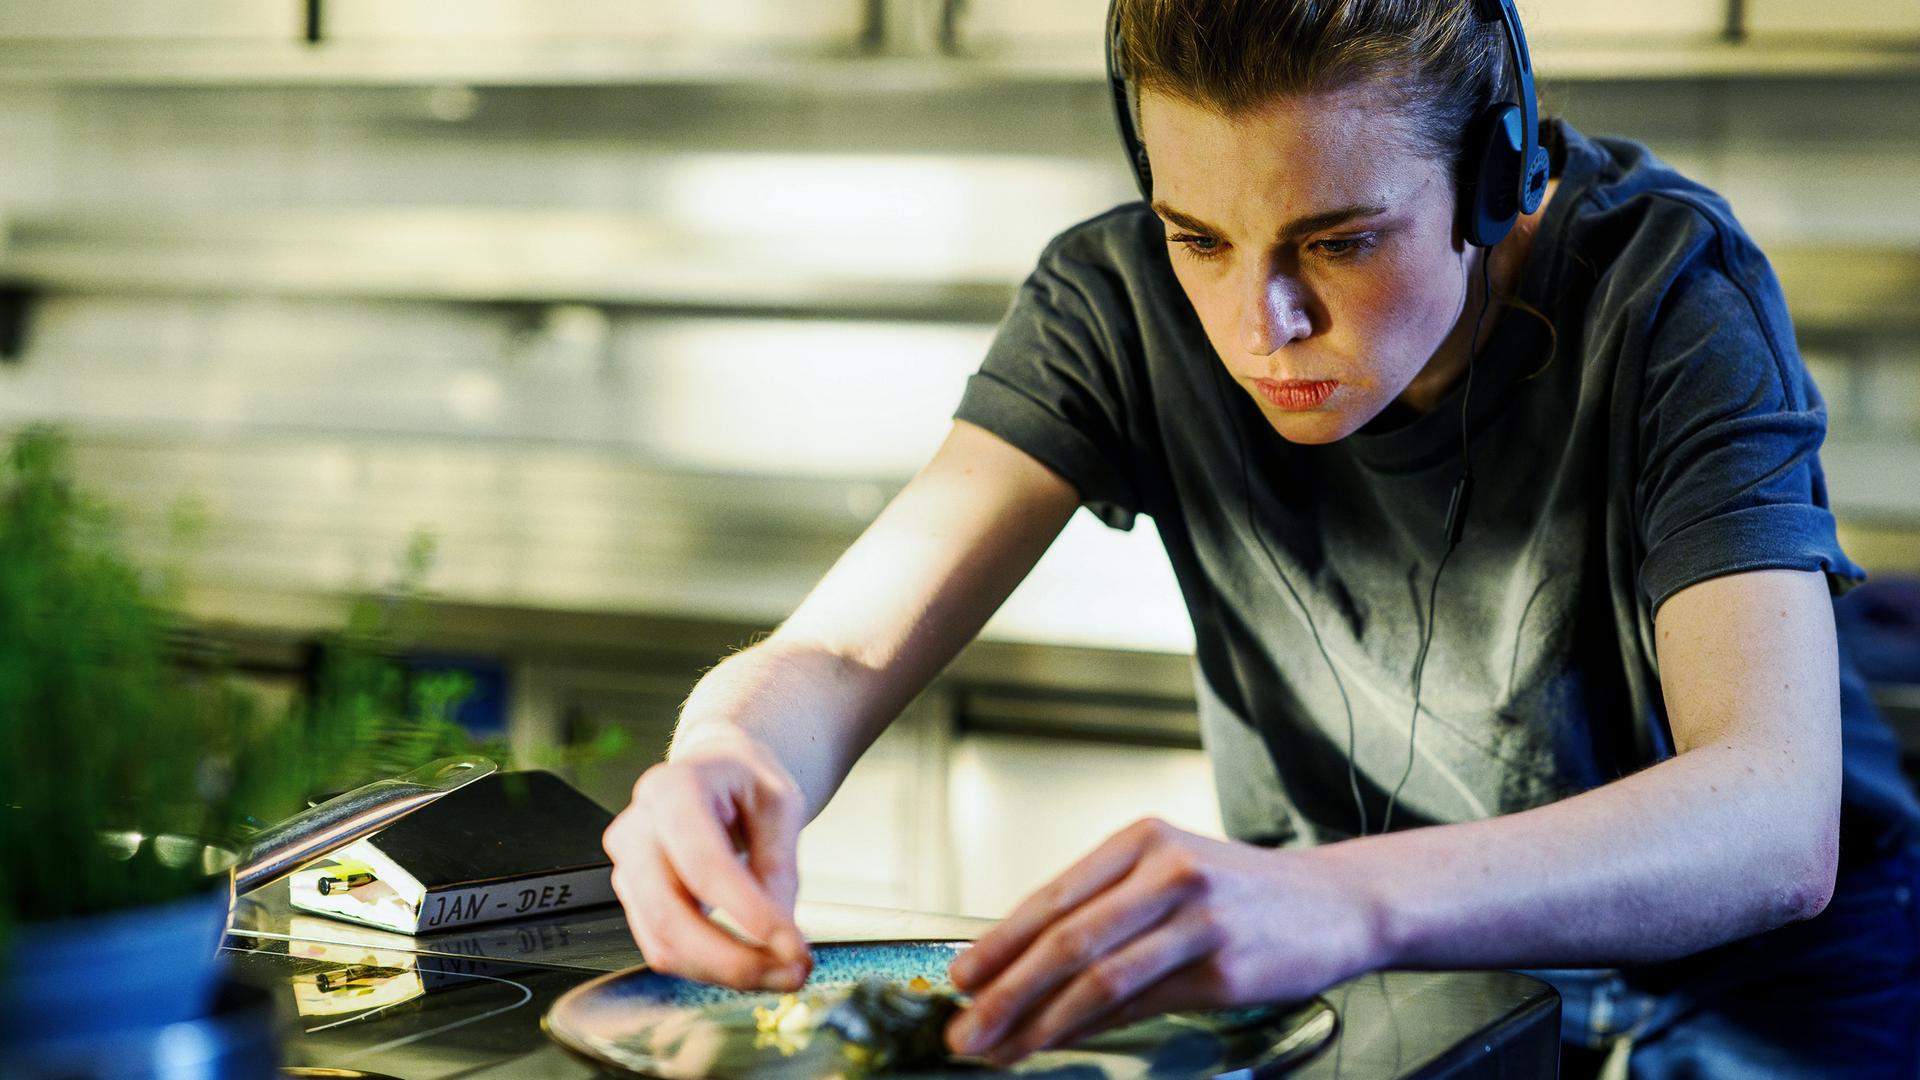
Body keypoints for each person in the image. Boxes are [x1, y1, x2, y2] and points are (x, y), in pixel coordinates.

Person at [600, 0, 1920, 1075]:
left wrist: (1336, 896)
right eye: (1198, 236)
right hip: (1396, 986)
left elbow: (1771, 816)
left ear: (1494, 173)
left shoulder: (1667, 294)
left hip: (1761, 1008)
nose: (1258, 323)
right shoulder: (1110, 306)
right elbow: (838, 645)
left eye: (1337, 241)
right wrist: (733, 751)